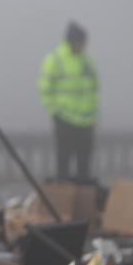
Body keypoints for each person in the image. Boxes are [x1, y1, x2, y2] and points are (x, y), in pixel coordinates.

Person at [38, 21, 99, 181]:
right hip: (64, 121)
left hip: (86, 123)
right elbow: (45, 89)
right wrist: (54, 113)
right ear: (72, 41)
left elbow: (94, 89)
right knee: (63, 165)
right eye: (81, 42)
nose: (83, 45)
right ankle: (63, 194)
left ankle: (83, 194)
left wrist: (93, 116)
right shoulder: (55, 60)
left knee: (84, 168)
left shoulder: (87, 61)